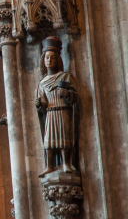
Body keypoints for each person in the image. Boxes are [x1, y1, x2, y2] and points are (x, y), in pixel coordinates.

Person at [35, 36, 77, 177]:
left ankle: (65, 163)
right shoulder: (42, 83)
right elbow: (42, 102)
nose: (49, 61)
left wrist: (67, 94)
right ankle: (50, 165)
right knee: (49, 140)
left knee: (64, 136)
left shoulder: (65, 77)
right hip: (50, 113)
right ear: (43, 60)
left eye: (53, 58)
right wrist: (40, 104)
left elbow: (74, 96)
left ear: (58, 60)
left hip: (63, 111)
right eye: (47, 58)